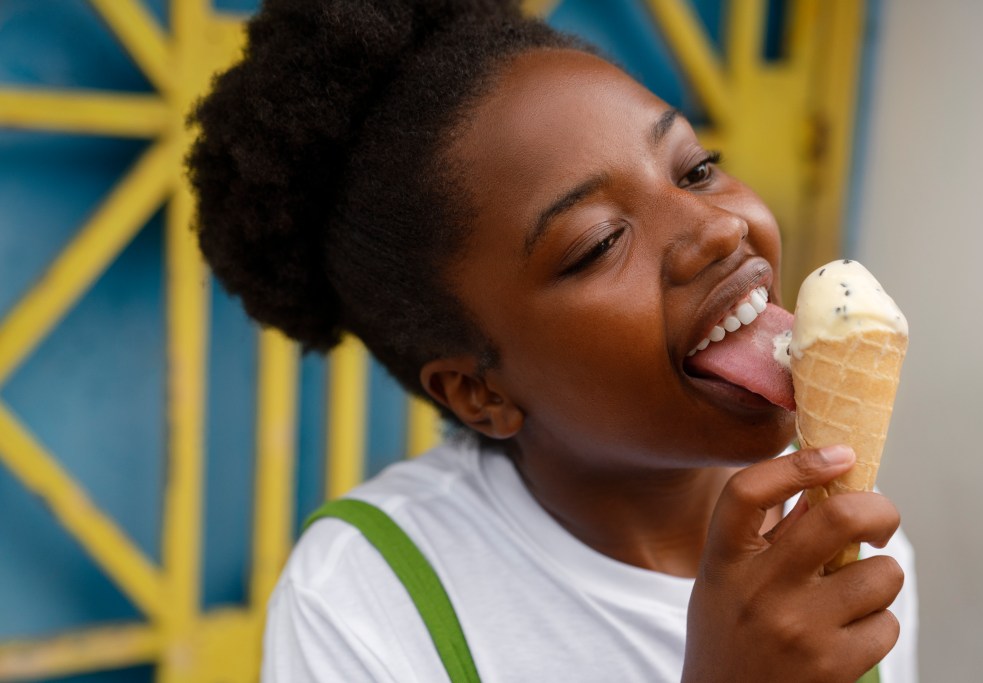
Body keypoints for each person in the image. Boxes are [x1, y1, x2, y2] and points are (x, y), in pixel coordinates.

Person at [186, 0, 917, 681]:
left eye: (696, 170)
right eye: (600, 243)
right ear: (478, 392)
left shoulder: (839, 527)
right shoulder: (361, 602)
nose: (719, 229)